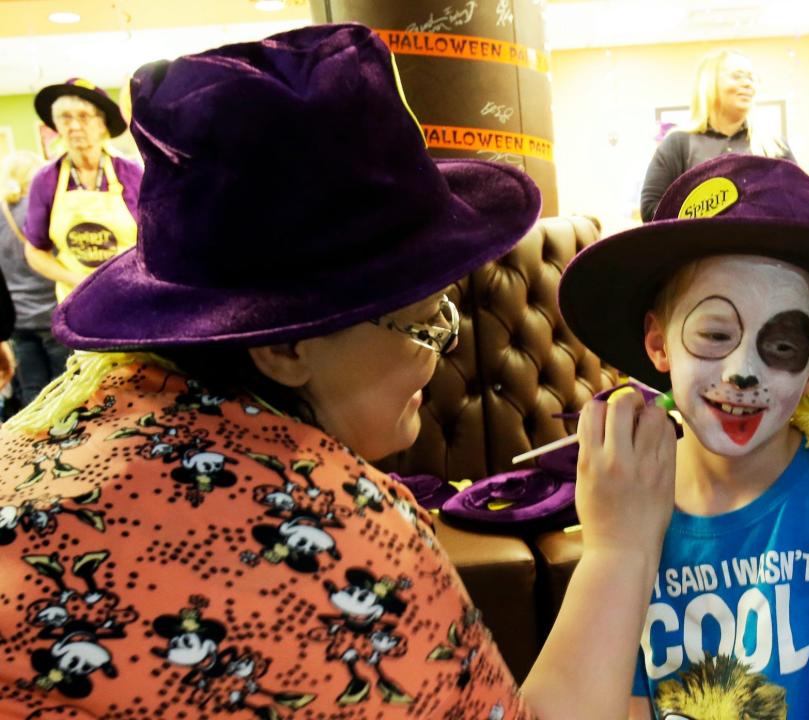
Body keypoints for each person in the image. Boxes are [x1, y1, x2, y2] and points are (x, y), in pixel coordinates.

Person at [0, 24, 677, 718]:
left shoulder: (54, 424)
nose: (441, 346)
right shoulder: (330, 529)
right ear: (285, 348)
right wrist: (620, 548)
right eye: (421, 321)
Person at [559, 154, 809, 718]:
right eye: (715, 333)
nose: (742, 371)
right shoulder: (627, 514)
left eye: (782, 346)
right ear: (659, 343)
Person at [640, 49, 794, 222]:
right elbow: (651, 210)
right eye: (737, 76)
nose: (748, 84)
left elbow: (798, 201)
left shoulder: (775, 146)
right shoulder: (678, 143)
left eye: (752, 78)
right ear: (710, 83)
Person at [23, 77, 142, 302]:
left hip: (131, 296)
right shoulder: (45, 180)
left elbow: (156, 240)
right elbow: (35, 251)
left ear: (102, 124)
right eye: (66, 118)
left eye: (84, 117)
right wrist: (76, 280)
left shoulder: (132, 173)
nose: (75, 126)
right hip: (77, 300)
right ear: (56, 125)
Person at [0, 150, 70, 409]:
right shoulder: (45, 212)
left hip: (17, 319)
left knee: (32, 393)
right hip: (52, 312)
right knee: (64, 388)